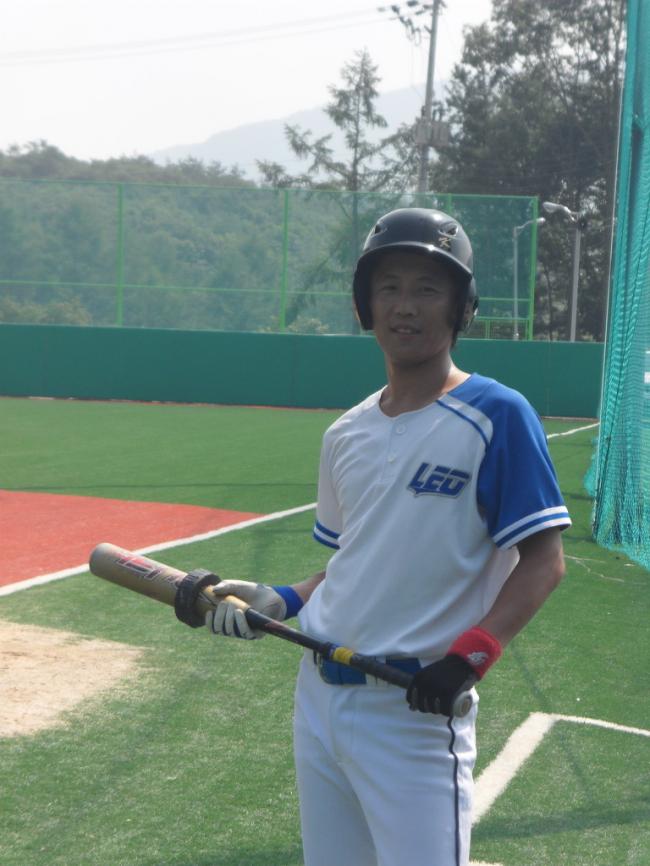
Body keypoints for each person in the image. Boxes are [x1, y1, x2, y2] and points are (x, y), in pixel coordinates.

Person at [205, 207, 571, 866]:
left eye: (428, 289)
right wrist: (284, 598)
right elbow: (355, 560)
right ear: (365, 305)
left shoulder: (497, 414)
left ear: (461, 307)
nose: (406, 306)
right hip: (318, 699)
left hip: (415, 712)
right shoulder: (346, 433)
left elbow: (544, 561)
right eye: (389, 287)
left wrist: (470, 657)